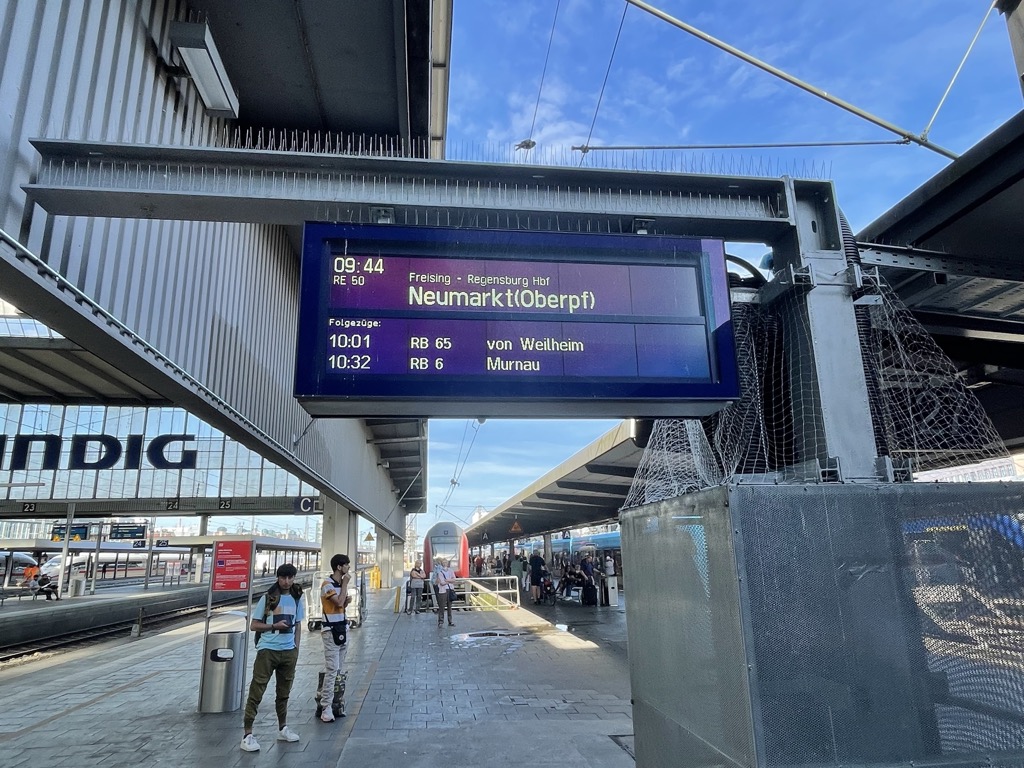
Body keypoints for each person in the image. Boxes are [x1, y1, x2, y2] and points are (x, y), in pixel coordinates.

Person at [241, 563, 304, 752]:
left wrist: (296, 649)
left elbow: (298, 625)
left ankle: (283, 728)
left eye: (290, 578)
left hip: (288, 651)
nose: (286, 581)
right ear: (278, 578)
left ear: (294, 578)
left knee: (284, 693)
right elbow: (254, 625)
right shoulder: (268, 598)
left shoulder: (297, 598)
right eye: (283, 577)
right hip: (267, 650)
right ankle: (247, 734)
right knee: (257, 691)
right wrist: (274, 627)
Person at [316, 553, 351, 723]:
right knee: (332, 669)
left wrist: (346, 599)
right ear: (339, 567)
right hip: (330, 631)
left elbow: (341, 604)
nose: (348, 567)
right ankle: (326, 707)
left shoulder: (338, 585)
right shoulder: (327, 585)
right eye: (346, 565)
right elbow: (338, 602)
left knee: (338, 670)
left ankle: (336, 702)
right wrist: (345, 585)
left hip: (342, 628)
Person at [434, 558, 457, 627]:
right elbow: (442, 583)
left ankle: (450, 621)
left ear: (447, 563)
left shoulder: (451, 570)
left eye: (446, 562)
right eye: (443, 562)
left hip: (450, 590)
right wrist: (450, 581)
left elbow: (454, 579)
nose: (444, 563)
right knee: (442, 606)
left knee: (450, 606)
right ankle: (441, 621)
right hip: (442, 590)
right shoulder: (440, 572)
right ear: (441, 563)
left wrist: (447, 580)